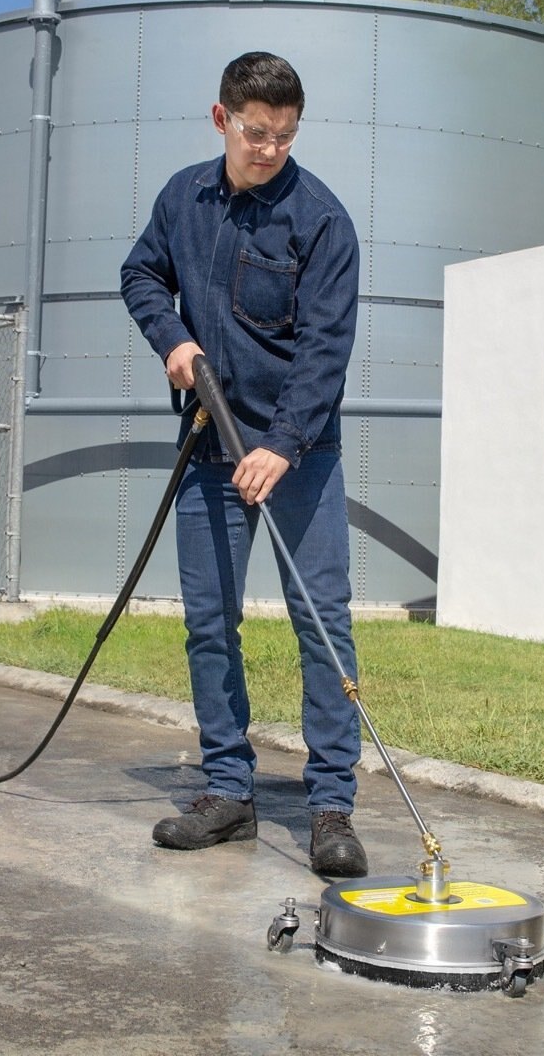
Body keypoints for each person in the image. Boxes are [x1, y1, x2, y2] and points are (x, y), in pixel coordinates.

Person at [120, 51, 367, 878]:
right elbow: (139, 273)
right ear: (221, 118)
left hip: (301, 454)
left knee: (321, 624)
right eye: (257, 133)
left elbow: (325, 349)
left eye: (285, 136)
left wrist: (281, 444)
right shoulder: (182, 198)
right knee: (208, 622)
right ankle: (227, 790)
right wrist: (172, 339)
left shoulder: (320, 220)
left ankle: (330, 805)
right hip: (208, 448)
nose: (269, 150)